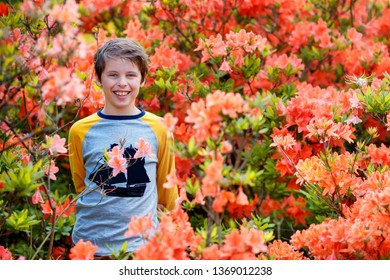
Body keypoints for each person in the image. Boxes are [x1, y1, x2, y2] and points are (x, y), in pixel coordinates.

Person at [68, 38, 178, 257]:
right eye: (113, 75)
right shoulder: (80, 131)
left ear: (142, 80)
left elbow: (167, 190)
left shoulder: (159, 129)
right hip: (90, 247)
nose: (122, 83)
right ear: (98, 78)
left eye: (130, 75)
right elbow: (82, 184)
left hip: (141, 249)